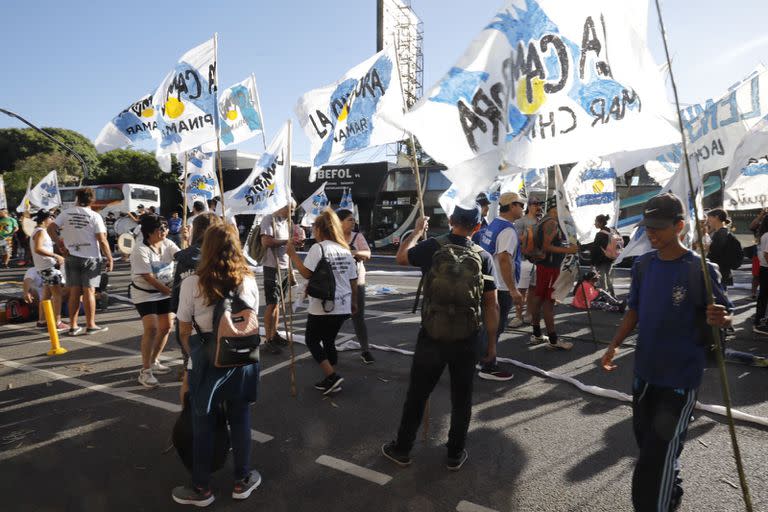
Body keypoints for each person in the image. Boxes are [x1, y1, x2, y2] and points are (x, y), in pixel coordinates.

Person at [601, 193, 733, 512]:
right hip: (644, 374)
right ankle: (670, 485)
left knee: (653, 462)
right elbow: (634, 310)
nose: (652, 233)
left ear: (680, 226)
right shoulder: (644, 265)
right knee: (649, 446)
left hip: (680, 377)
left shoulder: (701, 269)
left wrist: (721, 317)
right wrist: (614, 345)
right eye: (648, 226)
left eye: (659, 227)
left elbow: (725, 315)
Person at [382, 205, 499, 471]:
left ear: (450, 221)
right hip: (467, 339)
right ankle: (455, 454)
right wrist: (490, 344)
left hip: (432, 336)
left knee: (418, 395)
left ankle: (402, 449)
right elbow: (491, 305)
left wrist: (415, 233)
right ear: (478, 227)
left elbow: (401, 258)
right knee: (461, 399)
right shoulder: (483, 256)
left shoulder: (433, 247)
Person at [174, 224, 261, 507]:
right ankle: (242, 480)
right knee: (240, 419)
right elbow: (250, 321)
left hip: (205, 359)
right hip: (239, 356)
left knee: (204, 422)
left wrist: (197, 356)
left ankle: (201, 488)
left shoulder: (192, 283)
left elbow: (184, 329)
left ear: (206, 248)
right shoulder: (248, 281)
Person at [287, 209, 358, 394]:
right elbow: (353, 280)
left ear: (319, 229)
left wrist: (293, 255)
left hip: (323, 305)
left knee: (311, 340)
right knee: (328, 340)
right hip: (343, 304)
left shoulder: (318, 248)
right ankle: (330, 374)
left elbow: (307, 273)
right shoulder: (344, 249)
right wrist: (354, 302)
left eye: (314, 228)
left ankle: (332, 376)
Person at [48, 187, 113, 336]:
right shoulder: (94, 216)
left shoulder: (65, 213)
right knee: (89, 291)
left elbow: (51, 228)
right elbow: (102, 240)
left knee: (74, 292)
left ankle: (73, 326)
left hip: (71, 256)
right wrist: (109, 257)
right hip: (91, 257)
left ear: (77, 198)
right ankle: (90, 325)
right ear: (92, 200)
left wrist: (59, 244)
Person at [171, 213, 222, 401]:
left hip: (189, 325)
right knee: (212, 377)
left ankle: (188, 419)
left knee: (191, 373)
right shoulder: (220, 258)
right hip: (213, 325)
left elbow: (176, 297)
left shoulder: (184, 257)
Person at [475, 192, 525, 381]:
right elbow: (504, 260)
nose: (523, 208)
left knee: (487, 325)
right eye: (520, 204)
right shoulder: (507, 230)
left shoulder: (494, 224)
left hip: (488, 282)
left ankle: (480, 358)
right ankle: (487, 365)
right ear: (511, 206)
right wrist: (513, 289)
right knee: (494, 326)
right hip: (501, 287)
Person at [130, 214, 180, 388]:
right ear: (149, 232)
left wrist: (187, 242)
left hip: (165, 291)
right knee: (151, 328)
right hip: (144, 293)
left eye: (165, 227)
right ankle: (145, 371)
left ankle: (154, 361)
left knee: (166, 327)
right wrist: (170, 292)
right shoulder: (139, 249)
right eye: (161, 228)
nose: (165, 231)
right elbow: (148, 278)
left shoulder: (168, 243)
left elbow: (181, 256)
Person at [529, 197, 578, 349]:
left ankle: (537, 334)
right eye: (564, 208)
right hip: (549, 267)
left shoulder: (544, 220)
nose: (566, 211)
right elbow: (546, 246)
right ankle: (553, 340)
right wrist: (568, 250)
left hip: (544, 266)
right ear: (554, 208)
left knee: (538, 299)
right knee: (548, 302)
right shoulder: (552, 222)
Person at [336, 209, 375, 364]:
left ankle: (365, 350)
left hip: (357, 282)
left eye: (353, 220)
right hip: (338, 283)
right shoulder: (333, 238)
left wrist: (354, 252)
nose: (353, 223)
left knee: (358, 317)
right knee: (334, 316)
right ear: (339, 222)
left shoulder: (357, 236)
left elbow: (368, 254)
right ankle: (326, 347)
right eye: (349, 220)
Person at [259, 204, 292, 354]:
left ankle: (274, 333)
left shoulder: (286, 222)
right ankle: (268, 339)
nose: (291, 212)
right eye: (289, 209)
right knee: (272, 304)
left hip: (284, 266)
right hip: (272, 266)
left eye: (293, 210)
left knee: (279, 303)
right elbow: (266, 242)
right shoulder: (268, 219)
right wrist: (286, 242)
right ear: (281, 206)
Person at [30, 210, 68, 331]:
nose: (52, 221)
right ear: (46, 219)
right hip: (47, 268)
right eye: (51, 218)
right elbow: (38, 249)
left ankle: (42, 321)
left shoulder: (37, 231)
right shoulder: (41, 232)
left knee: (46, 296)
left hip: (43, 267)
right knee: (57, 295)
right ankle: (57, 322)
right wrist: (55, 256)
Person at [510, 196, 544, 327]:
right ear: (529, 205)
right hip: (523, 260)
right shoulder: (520, 221)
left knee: (533, 290)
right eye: (536, 204)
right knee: (521, 290)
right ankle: (518, 316)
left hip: (537, 261)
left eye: (540, 204)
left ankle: (528, 314)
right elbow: (516, 239)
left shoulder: (542, 221)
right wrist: (529, 235)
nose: (538, 206)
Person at [706, 208, 737, 288]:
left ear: (716, 217)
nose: (708, 221)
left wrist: (707, 248)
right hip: (722, 272)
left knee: (720, 298)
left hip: (720, 273)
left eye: (709, 218)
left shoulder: (721, 233)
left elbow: (716, 254)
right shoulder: (721, 232)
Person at [590, 214, 616, 296]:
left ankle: (605, 296)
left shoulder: (600, 234)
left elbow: (594, 249)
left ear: (600, 223)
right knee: (608, 277)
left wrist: (592, 263)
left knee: (602, 279)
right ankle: (612, 294)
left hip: (601, 260)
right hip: (611, 258)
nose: (595, 223)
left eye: (596, 221)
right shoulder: (612, 231)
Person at [749, 208, 767, 299]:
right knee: (756, 274)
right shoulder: (760, 222)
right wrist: (762, 215)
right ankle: (753, 294)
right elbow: (751, 227)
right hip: (758, 251)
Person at [754, 215, 768, 335]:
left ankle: (759, 321)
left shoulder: (764, 235)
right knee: (763, 297)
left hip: (764, 268)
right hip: (766, 268)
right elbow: (767, 254)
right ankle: (760, 322)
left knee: (763, 297)